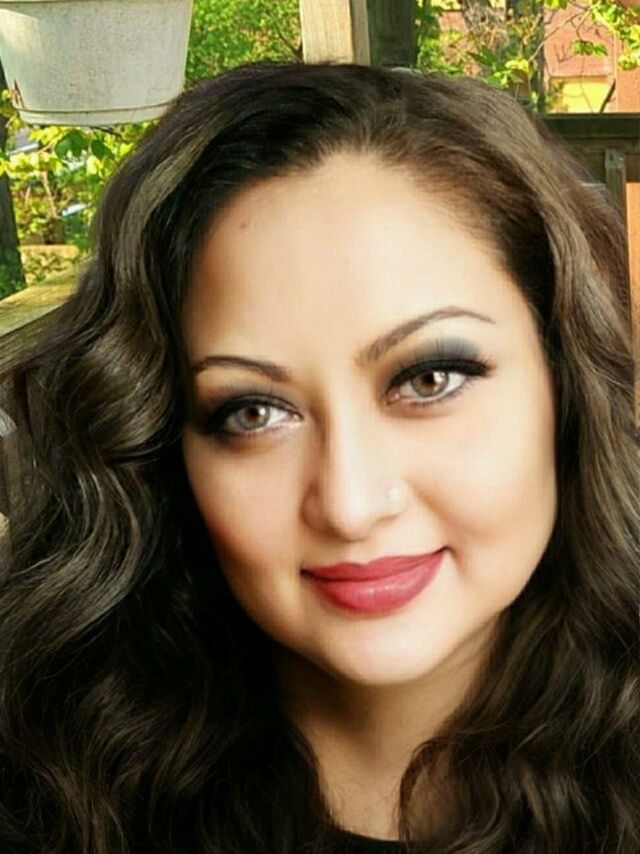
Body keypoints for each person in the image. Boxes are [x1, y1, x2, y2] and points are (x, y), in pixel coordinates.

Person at [0, 61, 636, 854]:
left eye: (430, 378)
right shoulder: (49, 787)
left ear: (565, 386)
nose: (349, 503)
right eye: (253, 412)